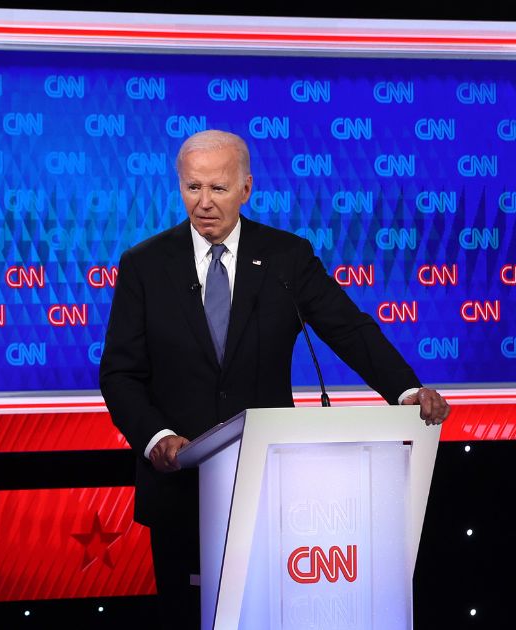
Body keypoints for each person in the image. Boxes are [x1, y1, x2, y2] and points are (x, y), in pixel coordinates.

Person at [98, 129, 450, 629]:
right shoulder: (144, 265)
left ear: (246, 188)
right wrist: (155, 438)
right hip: (179, 489)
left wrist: (406, 390)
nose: (203, 203)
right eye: (192, 188)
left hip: (271, 483)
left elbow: (348, 329)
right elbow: (120, 374)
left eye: (218, 189)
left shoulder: (286, 258)